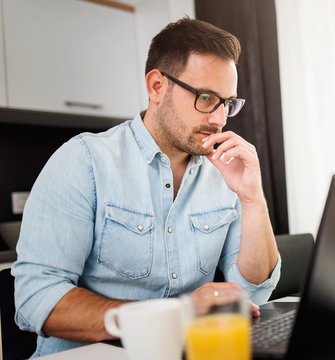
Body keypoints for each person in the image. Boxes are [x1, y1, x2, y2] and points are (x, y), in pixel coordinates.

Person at [12, 17, 281, 357]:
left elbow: (252, 295)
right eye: (206, 97)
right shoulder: (84, 161)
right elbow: (36, 299)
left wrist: (253, 198)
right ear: (157, 86)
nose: (219, 119)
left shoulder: (224, 173)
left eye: (227, 103)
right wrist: (175, 315)